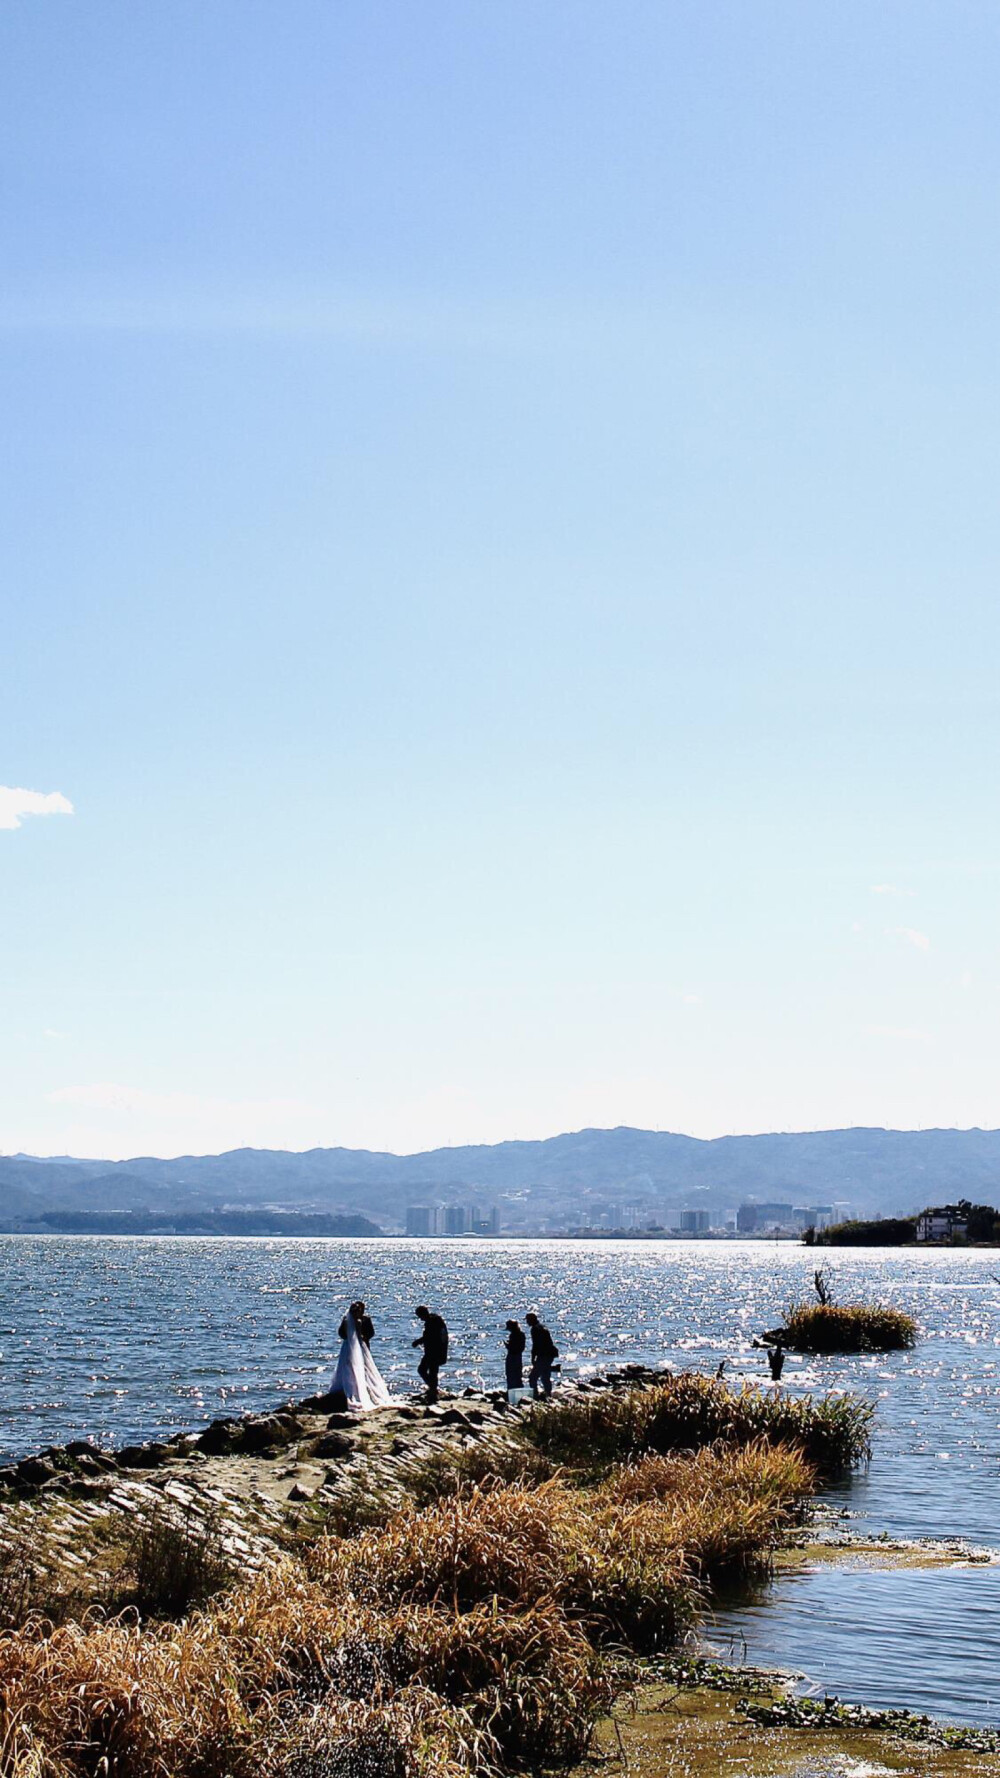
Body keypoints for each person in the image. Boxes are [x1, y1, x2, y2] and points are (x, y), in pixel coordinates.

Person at [330, 1301, 392, 1411]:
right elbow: (341, 1333)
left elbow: (371, 1333)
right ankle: (348, 1387)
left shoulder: (365, 1319)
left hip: (361, 1345)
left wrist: (362, 1337)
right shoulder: (346, 1320)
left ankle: (364, 1387)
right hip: (349, 1345)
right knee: (347, 1365)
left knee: (364, 1367)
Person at [412, 1305, 449, 1401]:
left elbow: (430, 1337)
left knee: (426, 1370)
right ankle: (433, 1389)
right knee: (430, 1371)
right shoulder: (435, 1320)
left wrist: (417, 1342)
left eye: (420, 1316)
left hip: (434, 1351)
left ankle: (433, 1391)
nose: (420, 1319)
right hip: (434, 1351)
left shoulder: (432, 1322)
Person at [526, 1311, 558, 1399]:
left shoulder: (535, 1329)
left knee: (532, 1377)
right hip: (549, 1354)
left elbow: (535, 1345)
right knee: (545, 1376)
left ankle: (535, 1395)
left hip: (543, 1355)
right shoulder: (542, 1327)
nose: (527, 1322)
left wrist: (533, 1358)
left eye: (528, 1320)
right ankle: (548, 1394)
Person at [504, 1318, 526, 1397]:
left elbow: (513, 1347)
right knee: (517, 1375)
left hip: (512, 1356)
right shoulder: (521, 1334)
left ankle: (511, 1393)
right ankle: (519, 1393)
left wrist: (507, 1345)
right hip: (518, 1356)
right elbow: (521, 1347)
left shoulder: (513, 1335)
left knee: (511, 1374)